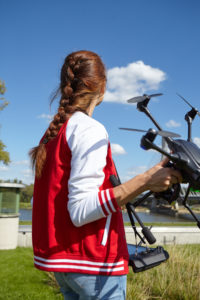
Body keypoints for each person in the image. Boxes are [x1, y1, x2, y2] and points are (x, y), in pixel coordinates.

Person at [30, 50, 182, 300]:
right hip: (93, 264)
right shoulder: (89, 129)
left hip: (64, 264)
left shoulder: (53, 134)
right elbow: (80, 210)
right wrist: (147, 180)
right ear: (102, 88)